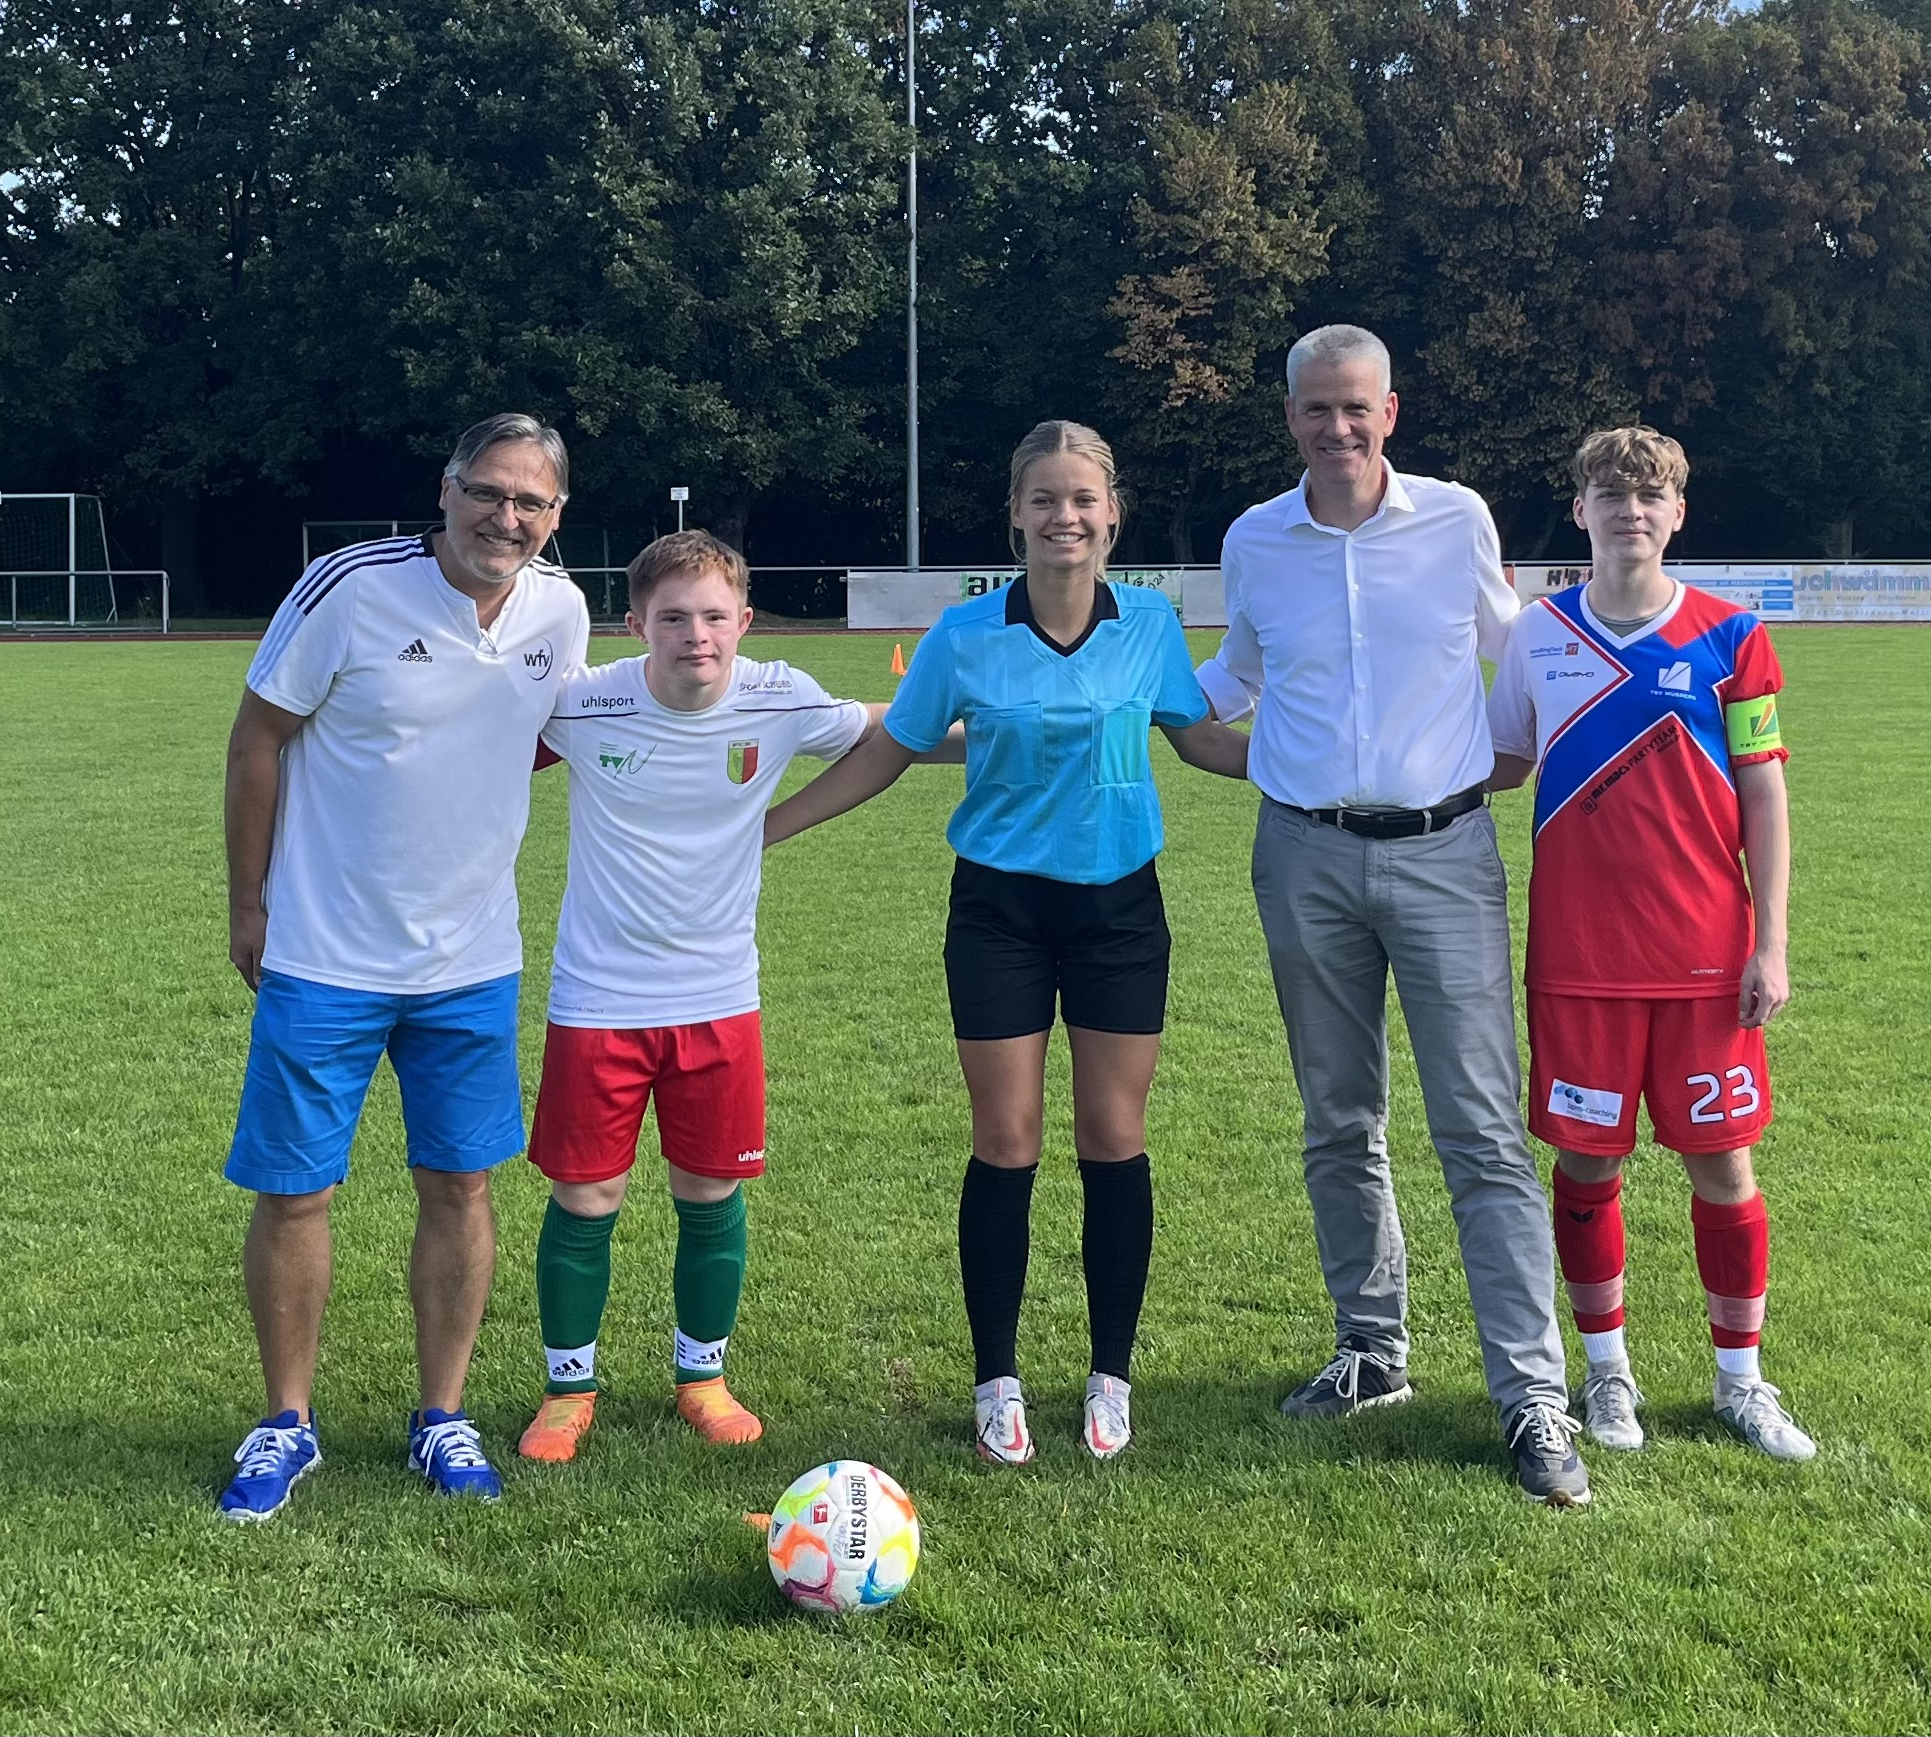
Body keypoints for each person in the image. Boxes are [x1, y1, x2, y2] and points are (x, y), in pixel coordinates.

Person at [764, 419, 1250, 1464]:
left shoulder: (1150, 623)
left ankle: (1110, 1376)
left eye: (1082, 499)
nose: (1064, 516)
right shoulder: (964, 633)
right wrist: (765, 829)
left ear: (1111, 514)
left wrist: (1329, 763)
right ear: (1016, 517)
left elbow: (1201, 739)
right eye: (1044, 499)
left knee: (1114, 1135)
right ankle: (997, 1381)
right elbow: (890, 752)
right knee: (1006, 1139)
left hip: (1121, 910)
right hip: (999, 913)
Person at [1196, 324, 1591, 1507]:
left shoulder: (1456, 520)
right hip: (1303, 857)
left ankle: (1533, 1397)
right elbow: (1234, 681)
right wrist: (1114, 701)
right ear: (1290, 418)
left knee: (1481, 1131)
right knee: (1338, 1119)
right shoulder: (1255, 540)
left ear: (1390, 411)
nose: (1337, 427)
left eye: (1355, 406)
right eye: (1316, 409)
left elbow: (1522, 655)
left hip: (1444, 855)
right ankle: (1372, 1351)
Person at [215, 412, 592, 1520]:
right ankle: (286, 1422)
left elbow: (542, 735)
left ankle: (443, 1415)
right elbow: (257, 738)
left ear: (556, 516)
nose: (504, 517)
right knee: (296, 1190)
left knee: (461, 1183)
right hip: (322, 953)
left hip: (472, 960)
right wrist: (249, 901)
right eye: (487, 491)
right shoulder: (349, 587)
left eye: (529, 502)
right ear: (446, 489)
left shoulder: (561, 610)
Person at [514, 530, 943, 1462]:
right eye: (672, 617)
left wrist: (1033, 725)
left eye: (714, 616)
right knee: (585, 1195)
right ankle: (567, 1389)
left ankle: (701, 1377)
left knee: (709, 1190)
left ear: (744, 621)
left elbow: (897, 729)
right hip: (597, 1000)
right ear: (635, 625)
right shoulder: (582, 704)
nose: (695, 635)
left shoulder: (779, 696)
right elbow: (469, 739)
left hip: (718, 998)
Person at [1486, 426, 1815, 1462]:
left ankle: (1740, 1381)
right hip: (1580, 959)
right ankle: (1606, 1374)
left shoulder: (1732, 637)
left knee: (1724, 1167)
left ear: (1677, 514)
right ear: (1579, 510)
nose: (1630, 509)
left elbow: (1765, 795)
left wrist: (1771, 943)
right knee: (1586, 1166)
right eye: (1610, 493)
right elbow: (1496, 762)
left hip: (1708, 958)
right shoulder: (1536, 634)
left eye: (1650, 494)